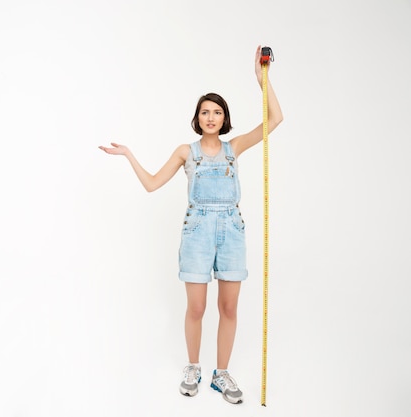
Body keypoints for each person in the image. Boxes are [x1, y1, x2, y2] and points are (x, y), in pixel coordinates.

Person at [98, 45, 283, 404]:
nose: (211, 117)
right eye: (205, 112)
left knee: (229, 308)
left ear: (224, 118)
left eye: (217, 112)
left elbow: (275, 119)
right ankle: (193, 367)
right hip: (197, 233)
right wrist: (129, 156)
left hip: (231, 232)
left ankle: (221, 374)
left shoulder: (235, 147)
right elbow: (152, 184)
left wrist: (262, 80)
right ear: (196, 119)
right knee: (196, 308)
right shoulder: (187, 152)